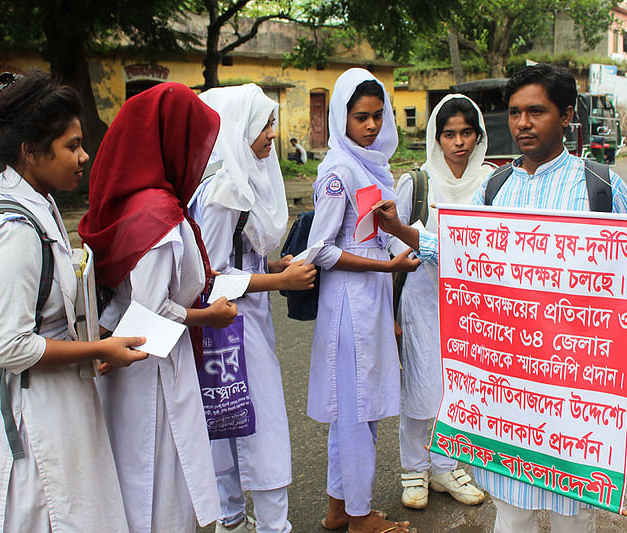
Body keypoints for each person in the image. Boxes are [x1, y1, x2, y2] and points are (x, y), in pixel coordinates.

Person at [376, 63, 627, 533]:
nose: (522, 123)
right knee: (510, 511)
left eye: (536, 111)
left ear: (566, 116)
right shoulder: (497, 188)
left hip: (571, 386)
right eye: (515, 112)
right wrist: (402, 231)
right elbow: (461, 252)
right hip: (508, 389)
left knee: (573, 516)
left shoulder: (598, 186)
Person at [0, 69, 148, 532]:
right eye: (71, 146)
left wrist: (95, 342)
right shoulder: (13, 232)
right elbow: (7, 346)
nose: (83, 156)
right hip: (38, 420)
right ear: (30, 151)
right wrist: (96, 350)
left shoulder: (38, 207)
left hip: (61, 404)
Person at [78, 83, 238, 532]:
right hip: (151, 364)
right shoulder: (156, 214)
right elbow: (152, 312)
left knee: (140, 476)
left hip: (136, 357)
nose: (201, 155)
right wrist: (209, 316)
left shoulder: (133, 203)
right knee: (158, 481)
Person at [189, 83, 316, 533]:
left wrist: (271, 264)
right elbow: (211, 277)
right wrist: (279, 280)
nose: (271, 134)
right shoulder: (224, 191)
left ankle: (233, 518)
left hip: (246, 320)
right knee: (259, 428)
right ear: (236, 127)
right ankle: (270, 525)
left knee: (228, 422)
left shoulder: (244, 179)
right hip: (230, 325)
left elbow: (241, 256)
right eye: (263, 124)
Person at [307, 68, 419, 533]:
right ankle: (359, 515)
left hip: (371, 299)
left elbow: (380, 234)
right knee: (356, 413)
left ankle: (339, 508)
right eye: (360, 117)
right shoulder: (339, 172)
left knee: (358, 409)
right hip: (350, 304)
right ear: (342, 118)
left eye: (377, 116)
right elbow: (322, 250)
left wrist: (407, 251)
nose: (371, 126)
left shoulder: (372, 164)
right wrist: (384, 267)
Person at [390, 95, 487, 511]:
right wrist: (390, 313)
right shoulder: (418, 183)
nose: (459, 142)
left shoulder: (492, 182)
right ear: (436, 136)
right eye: (449, 134)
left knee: (460, 388)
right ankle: (414, 469)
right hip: (421, 300)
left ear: (478, 135)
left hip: (472, 306)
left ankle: (446, 467)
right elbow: (392, 247)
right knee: (421, 383)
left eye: (467, 133)